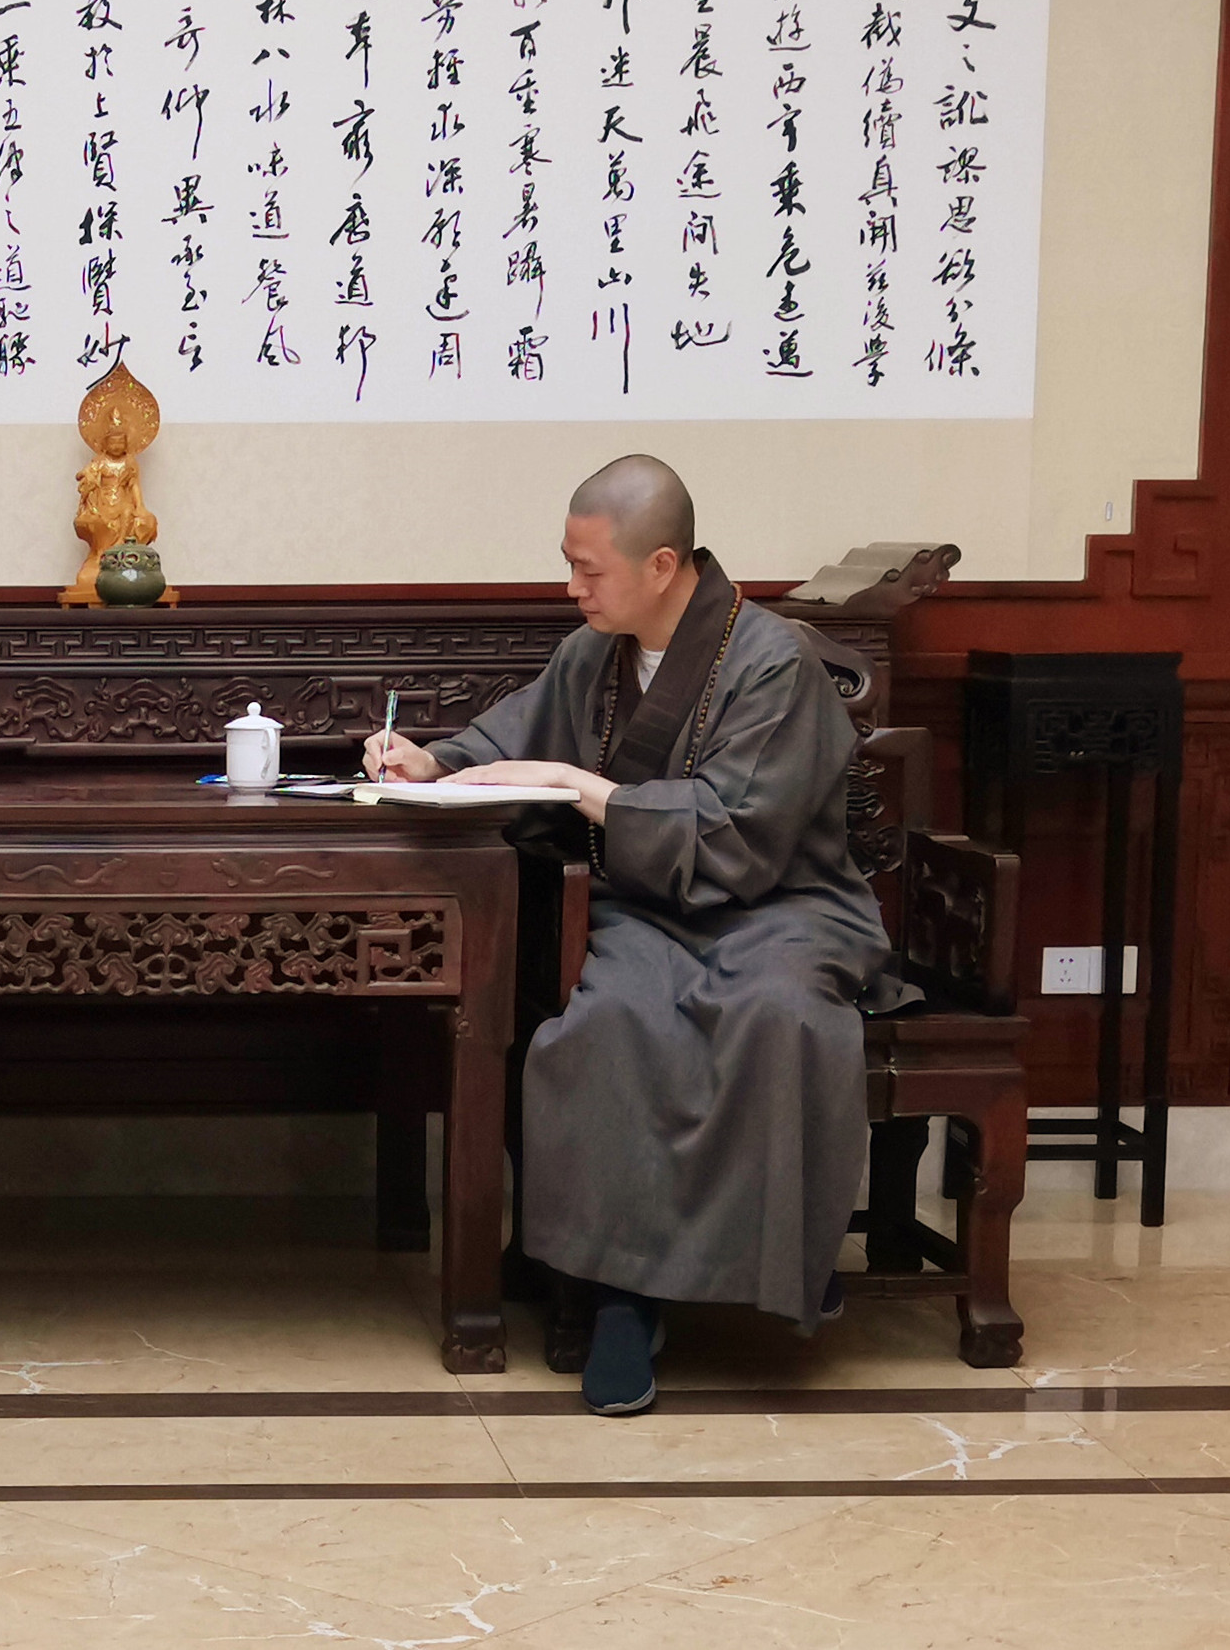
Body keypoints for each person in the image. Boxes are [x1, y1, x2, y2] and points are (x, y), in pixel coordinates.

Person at [363, 454, 886, 1418]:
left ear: (661, 564)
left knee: (777, 1016)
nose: (571, 587)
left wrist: (584, 787)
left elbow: (742, 835)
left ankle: (777, 1270)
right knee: (606, 1024)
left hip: (780, 905)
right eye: (568, 564)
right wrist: (429, 759)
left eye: (587, 569)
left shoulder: (772, 661)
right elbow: (509, 739)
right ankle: (617, 1300)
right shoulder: (590, 652)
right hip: (641, 904)